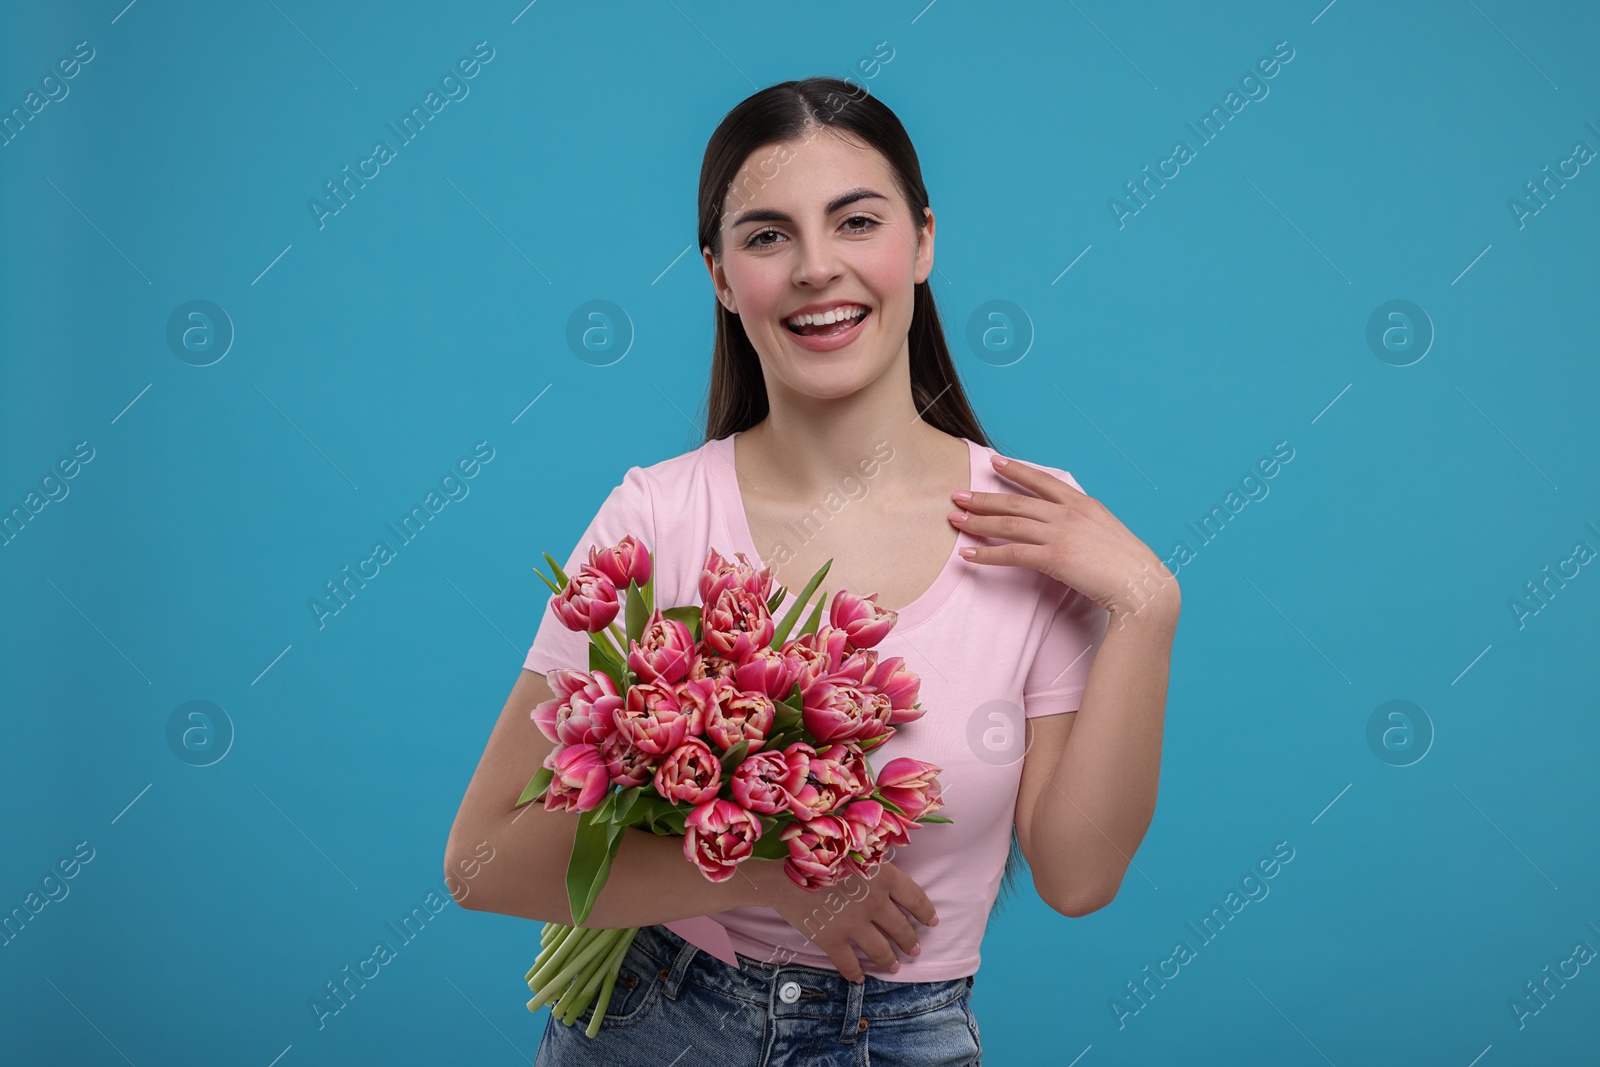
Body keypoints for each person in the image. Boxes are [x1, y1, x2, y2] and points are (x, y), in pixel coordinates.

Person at [445, 74, 1178, 1065]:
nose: (815, 268)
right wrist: (767, 871)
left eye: (856, 221)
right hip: (659, 1021)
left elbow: (1077, 875)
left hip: (904, 1034)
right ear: (717, 274)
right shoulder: (659, 515)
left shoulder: (1032, 520)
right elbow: (482, 856)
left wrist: (1145, 603)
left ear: (921, 242)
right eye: (766, 236)